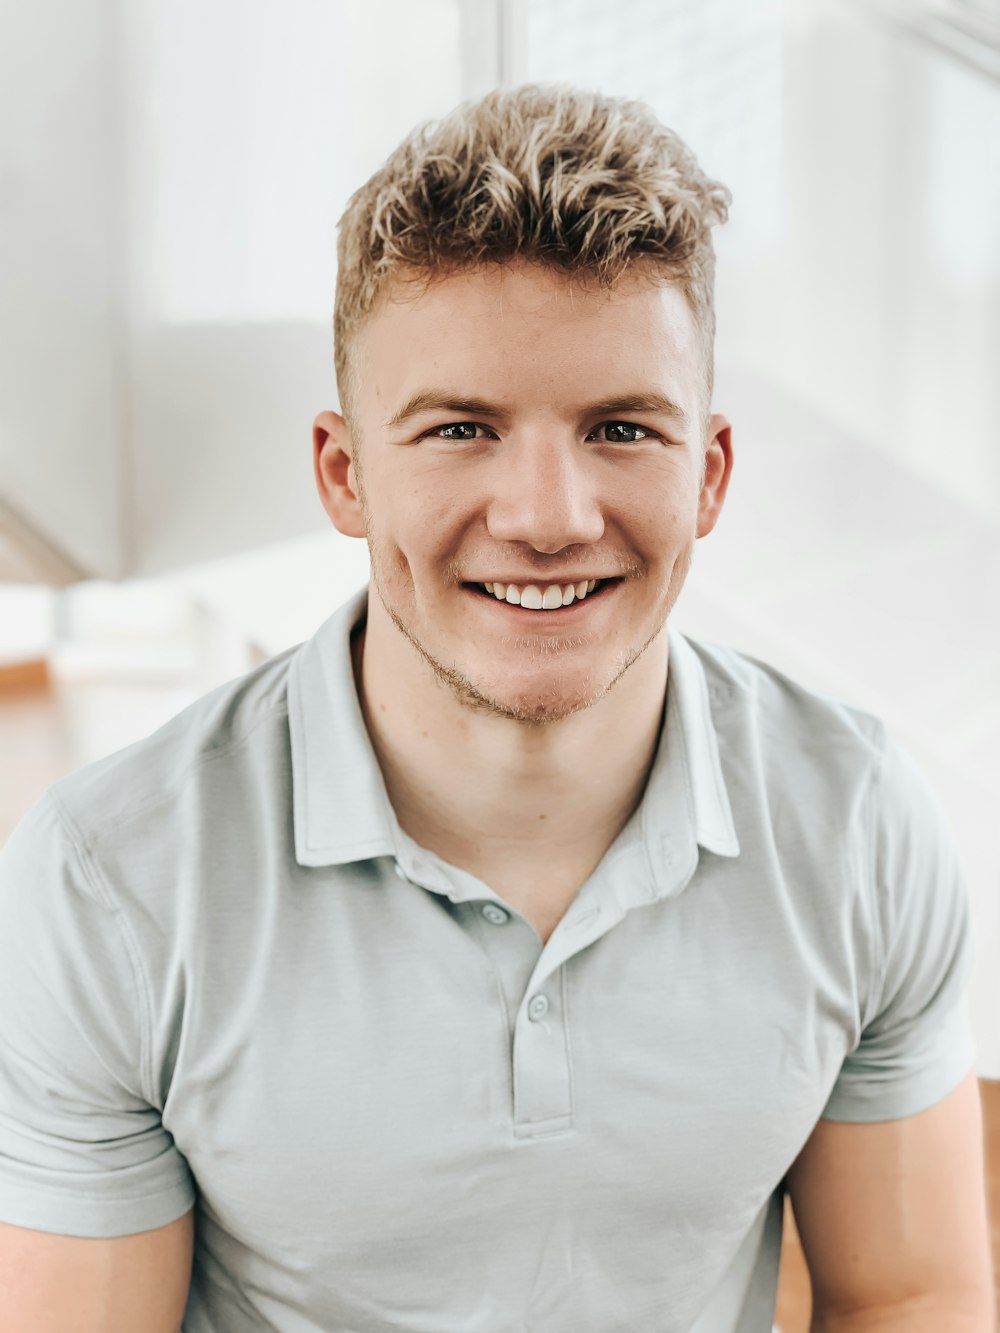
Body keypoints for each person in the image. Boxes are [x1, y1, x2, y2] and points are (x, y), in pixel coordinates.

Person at [0, 84, 993, 1333]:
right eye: (461, 428)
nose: (546, 515)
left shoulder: (853, 820)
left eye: (621, 428)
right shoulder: (114, 881)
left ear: (711, 474)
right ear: (344, 473)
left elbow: (909, 1297)